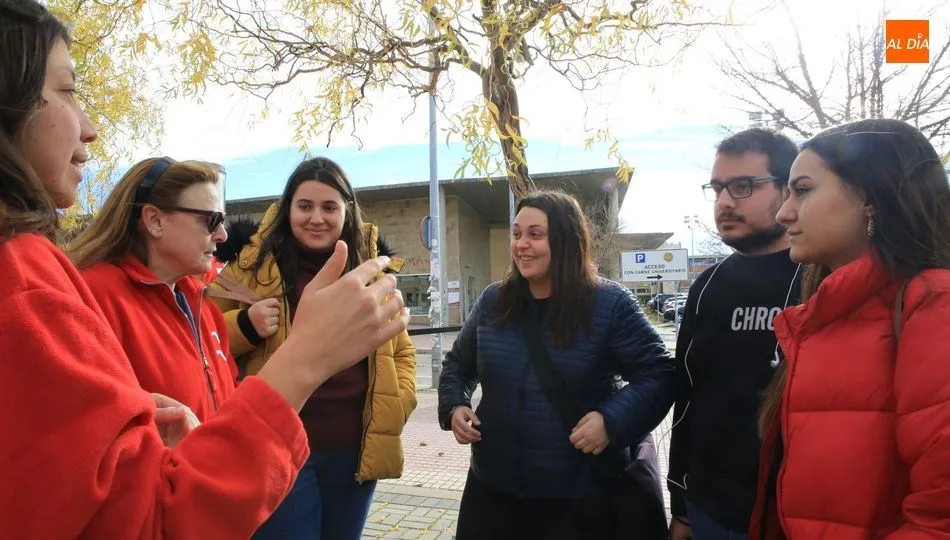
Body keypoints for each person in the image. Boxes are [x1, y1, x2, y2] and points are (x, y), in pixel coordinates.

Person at [0, 1, 409, 537]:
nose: (220, 234)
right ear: (154, 221)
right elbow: (150, 515)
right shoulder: (51, 288)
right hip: (264, 461)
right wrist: (299, 356)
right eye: (69, 91)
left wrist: (390, 412)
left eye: (331, 207)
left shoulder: (193, 295)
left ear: (348, 213)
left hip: (324, 452)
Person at [749, 119, 950, 539]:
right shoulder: (823, 314)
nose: (784, 213)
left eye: (802, 190)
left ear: (870, 197)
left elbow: (938, 520)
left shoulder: (932, 305)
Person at [438, 189, 675, 540]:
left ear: (566, 241)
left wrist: (611, 421)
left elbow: (660, 374)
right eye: (517, 233)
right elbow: (458, 364)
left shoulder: (609, 303)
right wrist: (455, 405)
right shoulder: (493, 301)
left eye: (535, 234)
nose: (521, 244)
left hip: (578, 500)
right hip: (493, 490)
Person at [209, 157, 416, 540]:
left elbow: (400, 352)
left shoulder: (372, 273)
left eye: (329, 207)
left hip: (353, 452)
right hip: (278, 446)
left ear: (347, 210)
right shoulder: (247, 267)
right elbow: (203, 343)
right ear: (287, 208)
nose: (316, 218)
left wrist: (398, 404)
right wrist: (245, 327)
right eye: (305, 206)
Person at [667, 128, 802, 540]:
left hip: (794, 517)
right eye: (718, 188)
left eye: (744, 186)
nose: (725, 202)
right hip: (710, 512)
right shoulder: (706, 286)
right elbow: (687, 398)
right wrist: (682, 506)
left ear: (788, 189)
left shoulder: (821, 276)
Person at [69, 157, 236, 422]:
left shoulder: (202, 304)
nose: (222, 235)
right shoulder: (93, 297)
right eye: (211, 220)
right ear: (155, 220)